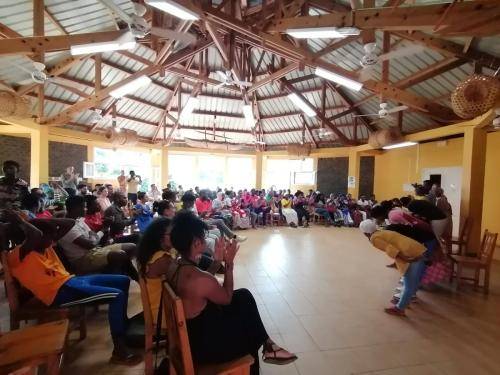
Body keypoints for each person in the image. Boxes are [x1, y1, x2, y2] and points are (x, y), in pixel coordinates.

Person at [164, 212, 297, 374]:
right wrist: (229, 263)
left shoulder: (174, 266)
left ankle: (269, 345)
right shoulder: (199, 278)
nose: (206, 241)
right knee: (249, 333)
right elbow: (226, 298)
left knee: (243, 296)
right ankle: (265, 349)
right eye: (203, 238)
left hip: (193, 332)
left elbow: (203, 286)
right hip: (204, 348)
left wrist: (217, 262)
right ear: (197, 242)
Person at [5, 212, 141, 365]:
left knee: (123, 281)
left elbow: (70, 223)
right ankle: (119, 350)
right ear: (32, 238)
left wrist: (40, 221)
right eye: (48, 236)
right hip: (59, 293)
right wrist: (20, 221)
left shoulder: (44, 246)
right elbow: (35, 234)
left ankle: (124, 326)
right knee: (117, 296)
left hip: (73, 281)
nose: (53, 239)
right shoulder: (17, 255)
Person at [137, 217, 224, 326]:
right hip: (166, 315)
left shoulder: (156, 255)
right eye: (172, 234)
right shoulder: (163, 261)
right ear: (160, 238)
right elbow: (194, 282)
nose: (176, 236)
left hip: (165, 308)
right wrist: (215, 263)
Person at [61, 195, 138, 280]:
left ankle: (124, 276)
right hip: (82, 260)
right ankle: (129, 278)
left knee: (132, 247)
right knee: (120, 255)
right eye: (84, 207)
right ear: (75, 208)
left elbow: (93, 235)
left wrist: (94, 237)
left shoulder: (79, 220)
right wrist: (102, 230)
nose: (85, 209)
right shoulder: (67, 227)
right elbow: (91, 244)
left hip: (94, 251)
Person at [359, 219, 426, 317]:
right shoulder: (382, 232)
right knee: (413, 281)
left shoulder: (374, 238)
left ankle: (400, 308)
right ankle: (408, 299)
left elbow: (391, 249)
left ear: (365, 233)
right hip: (416, 248)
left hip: (410, 254)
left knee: (408, 284)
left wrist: (407, 259)